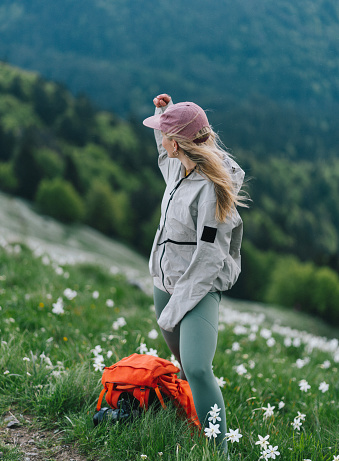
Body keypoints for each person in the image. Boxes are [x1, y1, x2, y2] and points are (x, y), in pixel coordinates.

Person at [143, 93, 246, 453]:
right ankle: (190, 418)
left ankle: (220, 452)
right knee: (183, 362)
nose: (162, 139)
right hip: (165, 278)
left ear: (180, 141)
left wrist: (177, 307)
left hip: (199, 286)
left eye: (165, 133)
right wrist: (163, 114)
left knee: (199, 368)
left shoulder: (213, 189)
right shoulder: (177, 165)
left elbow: (208, 257)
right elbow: (162, 152)